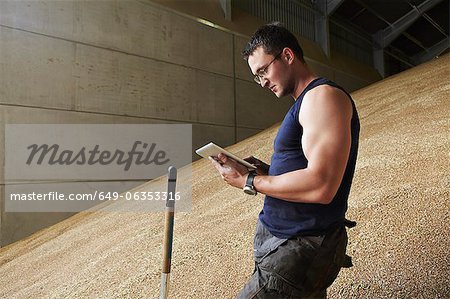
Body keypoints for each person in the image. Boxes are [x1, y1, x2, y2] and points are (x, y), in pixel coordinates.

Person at [209, 22, 360, 299]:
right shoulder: (306, 102)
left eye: (264, 70)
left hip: (299, 246)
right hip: (289, 243)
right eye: (257, 76)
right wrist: (266, 170)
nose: (262, 81)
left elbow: (322, 185)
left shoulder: (322, 97)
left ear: (288, 56)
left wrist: (249, 180)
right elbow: (306, 167)